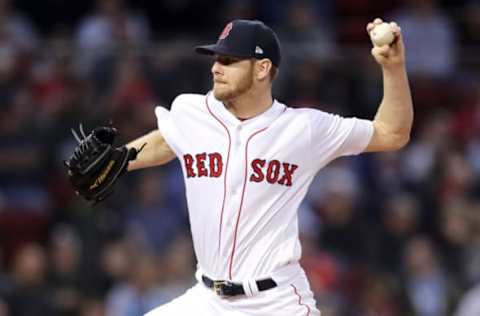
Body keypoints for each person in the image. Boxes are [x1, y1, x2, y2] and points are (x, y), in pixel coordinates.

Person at [124, 18, 413, 316]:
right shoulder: (193, 112)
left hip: (274, 301)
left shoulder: (302, 128)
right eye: (216, 59)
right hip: (207, 299)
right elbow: (168, 140)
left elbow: (392, 133)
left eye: (229, 60)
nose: (215, 67)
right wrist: (120, 158)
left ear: (262, 68)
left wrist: (393, 69)